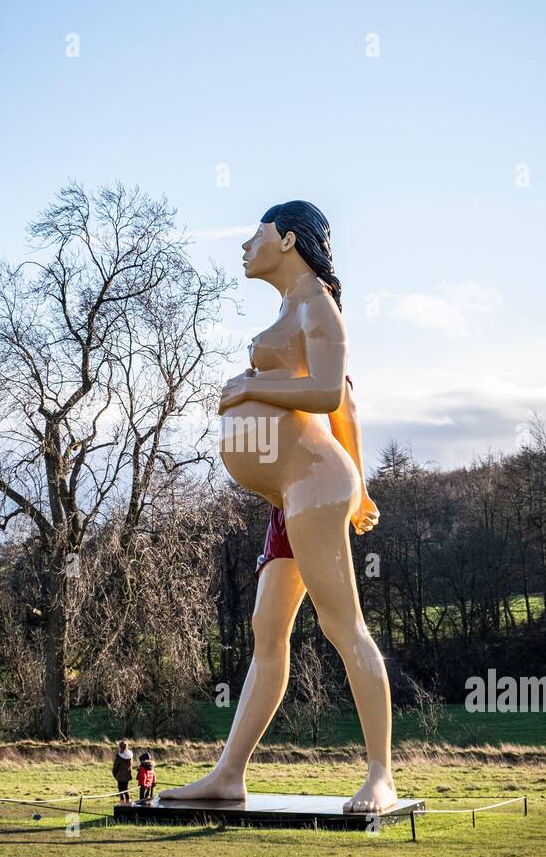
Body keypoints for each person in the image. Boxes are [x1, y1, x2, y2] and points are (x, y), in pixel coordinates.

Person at [160, 201, 395, 814]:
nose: (245, 245)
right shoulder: (293, 309)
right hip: (289, 493)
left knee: (344, 627)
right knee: (268, 636)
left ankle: (380, 775)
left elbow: (326, 393)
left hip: (314, 484)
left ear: (288, 239)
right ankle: (229, 775)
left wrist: (249, 386)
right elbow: (345, 404)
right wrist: (364, 487)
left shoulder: (318, 305)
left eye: (256, 233)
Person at [112, 739, 134, 803]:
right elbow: (131, 766)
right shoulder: (130, 755)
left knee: (121, 790)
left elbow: (115, 766)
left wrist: (115, 774)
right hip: (127, 775)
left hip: (120, 775)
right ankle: (128, 801)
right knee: (126, 789)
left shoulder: (119, 756)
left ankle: (122, 802)